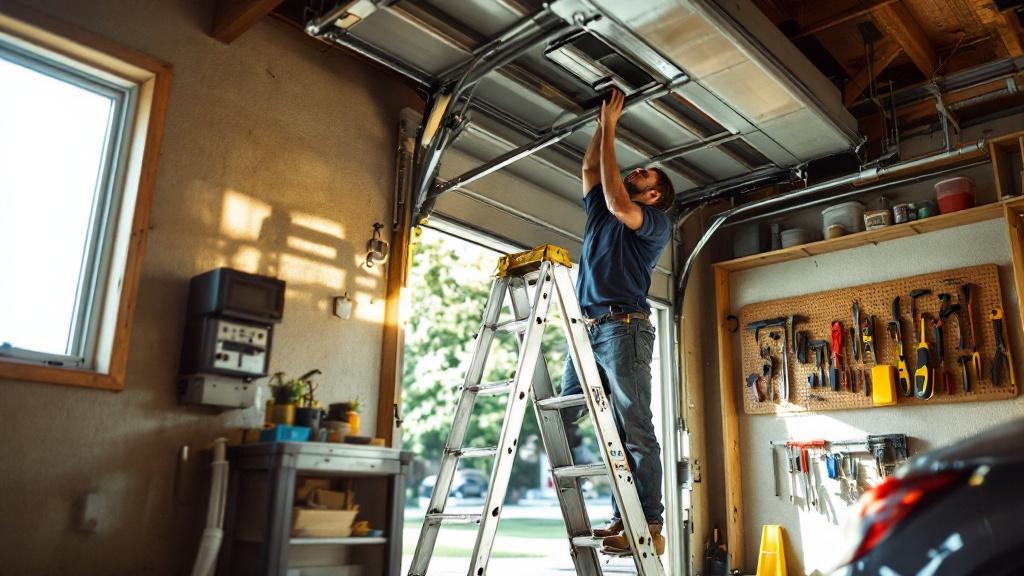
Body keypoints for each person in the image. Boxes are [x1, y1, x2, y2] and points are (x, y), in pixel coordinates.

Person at [559, 88, 674, 557]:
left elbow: (609, 188)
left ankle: (649, 521)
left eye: (644, 175)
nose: (636, 172)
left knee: (634, 426)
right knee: (570, 412)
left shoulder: (650, 220)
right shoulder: (604, 214)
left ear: (653, 196)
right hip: (587, 329)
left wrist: (611, 128)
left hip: (622, 328)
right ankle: (620, 513)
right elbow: (592, 172)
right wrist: (599, 122)